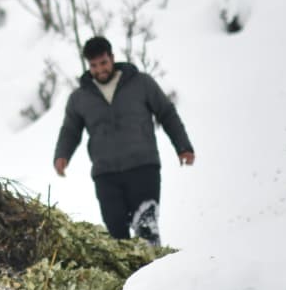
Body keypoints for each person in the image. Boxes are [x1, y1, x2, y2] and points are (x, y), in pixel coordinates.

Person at [52, 36, 195, 244]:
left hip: (143, 167)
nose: (100, 69)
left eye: (103, 63)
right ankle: (134, 265)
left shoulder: (141, 83)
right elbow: (70, 130)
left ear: (112, 58)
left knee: (147, 229)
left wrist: (183, 147)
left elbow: (166, 113)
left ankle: (155, 263)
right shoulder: (79, 98)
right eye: (94, 65)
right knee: (117, 239)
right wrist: (62, 155)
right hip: (106, 175)